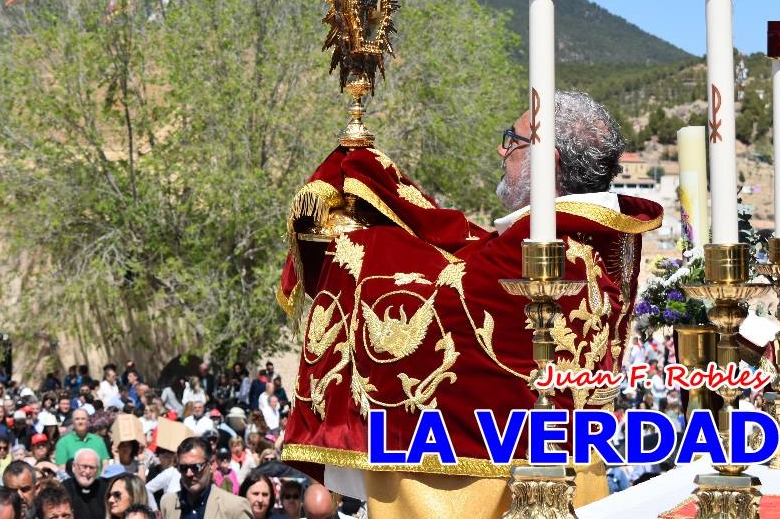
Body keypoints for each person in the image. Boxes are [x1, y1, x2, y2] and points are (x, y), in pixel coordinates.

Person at [278, 91, 664, 519]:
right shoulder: (594, 237)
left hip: (494, 490)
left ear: (548, 163)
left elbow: (440, 297)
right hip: (569, 475)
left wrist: (361, 240)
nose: (503, 150)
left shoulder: (546, 248)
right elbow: (471, 254)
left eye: (513, 142)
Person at [160, 438, 251, 519]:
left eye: (196, 467)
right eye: (183, 468)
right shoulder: (168, 503)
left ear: (211, 465)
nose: (189, 473)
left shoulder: (235, 506)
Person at [64, 449, 106, 519]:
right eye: (84, 467)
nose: (87, 471)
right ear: (74, 467)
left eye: (92, 468)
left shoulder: (105, 489)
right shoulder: (63, 489)